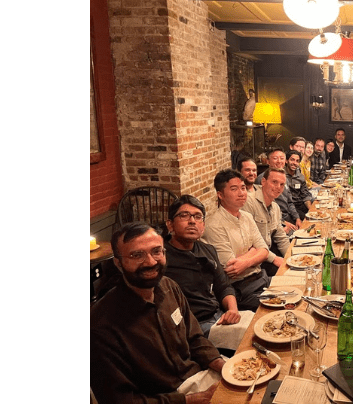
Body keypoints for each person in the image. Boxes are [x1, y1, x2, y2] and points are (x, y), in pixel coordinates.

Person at [91, 222, 224, 404]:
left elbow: (194, 338)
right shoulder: (101, 324)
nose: (151, 262)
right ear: (118, 263)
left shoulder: (169, 286)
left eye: (156, 251)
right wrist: (189, 400)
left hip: (198, 378)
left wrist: (221, 364)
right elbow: (119, 399)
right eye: (137, 255)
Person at [164, 195, 242, 337]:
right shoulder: (161, 257)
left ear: (203, 226)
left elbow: (223, 286)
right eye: (184, 216)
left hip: (218, 317)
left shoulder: (208, 250)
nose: (192, 221)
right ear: (170, 225)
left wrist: (233, 310)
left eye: (198, 216)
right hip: (190, 328)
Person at [202, 169, 270, 311]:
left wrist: (246, 261)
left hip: (261, 278)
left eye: (243, 188)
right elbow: (232, 268)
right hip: (240, 291)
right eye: (234, 189)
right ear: (220, 195)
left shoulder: (247, 217)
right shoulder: (213, 225)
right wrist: (253, 251)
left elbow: (264, 250)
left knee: (296, 286)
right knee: (281, 308)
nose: (241, 193)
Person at [242, 168, 292, 277]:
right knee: (286, 276)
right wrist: (275, 259)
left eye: (282, 184)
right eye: (274, 182)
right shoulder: (249, 203)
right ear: (263, 182)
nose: (278, 187)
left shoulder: (275, 207)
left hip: (268, 254)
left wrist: (292, 257)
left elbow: (281, 237)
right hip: (254, 260)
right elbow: (250, 242)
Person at [260, 147, 302, 233]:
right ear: (268, 161)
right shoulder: (263, 179)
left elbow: (290, 202)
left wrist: (297, 218)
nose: (279, 161)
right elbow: (265, 210)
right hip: (276, 224)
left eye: (282, 158)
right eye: (275, 158)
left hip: (288, 218)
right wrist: (283, 223)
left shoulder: (283, 177)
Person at [285, 150, 314, 220]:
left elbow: (305, 195)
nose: (295, 163)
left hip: (300, 204)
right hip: (289, 206)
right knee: (307, 219)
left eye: (297, 161)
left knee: (316, 214)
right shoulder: (282, 176)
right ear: (286, 161)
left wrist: (311, 210)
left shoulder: (300, 177)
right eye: (292, 160)